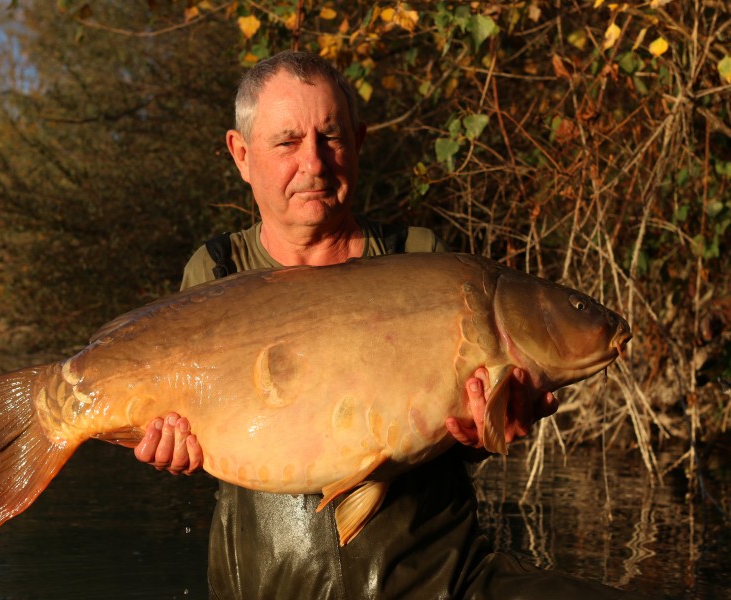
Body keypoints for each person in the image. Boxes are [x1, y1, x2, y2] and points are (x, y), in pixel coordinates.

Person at [134, 51, 638, 600]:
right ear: (242, 154)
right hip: (267, 586)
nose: (315, 163)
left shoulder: (418, 256)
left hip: (440, 582)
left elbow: (458, 431)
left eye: (332, 138)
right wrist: (167, 446)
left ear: (360, 142)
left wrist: (488, 430)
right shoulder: (214, 273)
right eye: (287, 143)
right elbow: (183, 426)